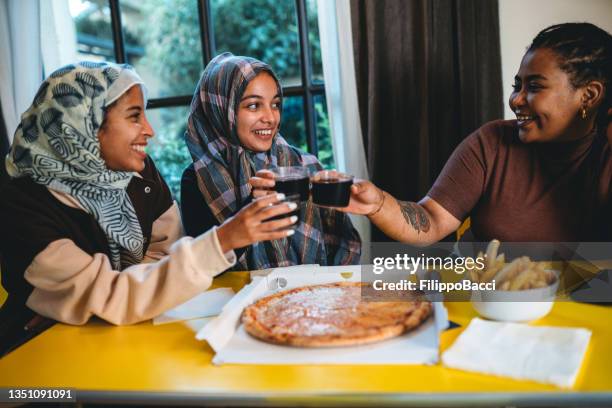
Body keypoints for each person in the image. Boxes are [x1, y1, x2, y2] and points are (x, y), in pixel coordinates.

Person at [0, 62, 297, 356]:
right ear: (82, 123)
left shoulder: (138, 175)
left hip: (126, 337)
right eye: (134, 116)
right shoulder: (23, 205)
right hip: (36, 357)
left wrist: (102, 303)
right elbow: (118, 293)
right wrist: (223, 240)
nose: (149, 130)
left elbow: (161, 256)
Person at [287, 22, 612, 244]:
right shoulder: (492, 142)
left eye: (535, 87)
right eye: (517, 86)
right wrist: (377, 204)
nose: (515, 99)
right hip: (482, 303)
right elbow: (431, 220)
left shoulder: (604, 152)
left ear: (589, 96)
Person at [181, 53, 361, 270]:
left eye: (275, 104)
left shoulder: (304, 166)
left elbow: (345, 248)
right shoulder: (197, 178)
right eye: (254, 106)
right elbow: (201, 271)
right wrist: (251, 210)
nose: (271, 117)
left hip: (315, 296)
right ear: (221, 108)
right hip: (238, 300)